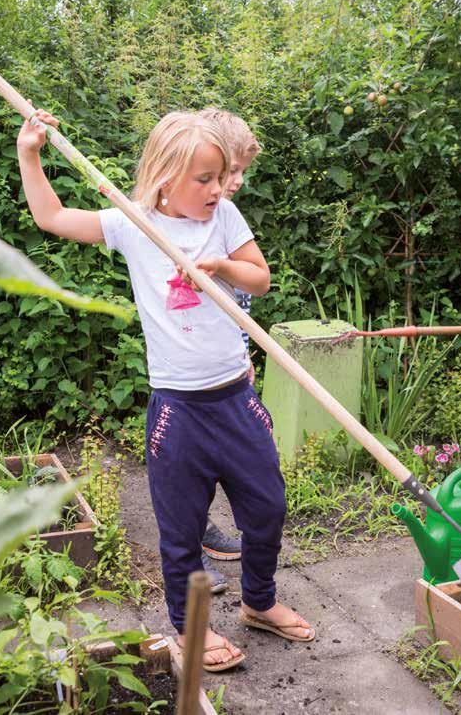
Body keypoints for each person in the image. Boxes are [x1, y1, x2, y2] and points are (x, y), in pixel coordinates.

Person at [17, 106, 314, 671]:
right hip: (178, 409)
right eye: (203, 179)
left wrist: (223, 266)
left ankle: (259, 600)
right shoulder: (132, 223)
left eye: (218, 176)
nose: (215, 189)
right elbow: (53, 218)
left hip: (236, 398)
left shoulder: (224, 217)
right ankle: (188, 629)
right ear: (164, 177)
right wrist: (30, 152)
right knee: (180, 531)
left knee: (267, 507)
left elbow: (262, 278)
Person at [195, 107, 262, 593]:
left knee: (230, 455)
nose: (235, 182)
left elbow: (251, 288)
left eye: (239, 172)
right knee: (192, 461)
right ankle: (193, 545)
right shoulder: (188, 219)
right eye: (228, 171)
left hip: (230, 362)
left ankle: (205, 530)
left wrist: (245, 358)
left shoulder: (225, 216)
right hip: (191, 373)